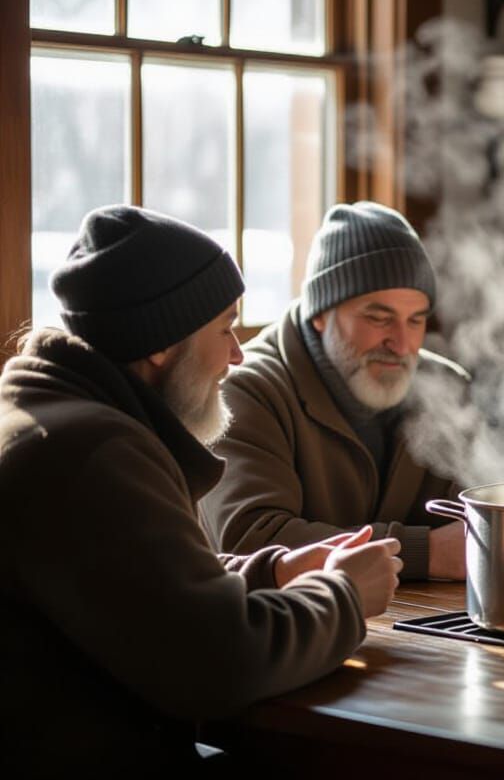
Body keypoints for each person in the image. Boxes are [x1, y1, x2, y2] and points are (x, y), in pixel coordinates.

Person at [0, 206, 402, 773]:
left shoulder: (53, 418)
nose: (237, 355)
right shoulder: (92, 454)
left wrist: (275, 571)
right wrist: (344, 598)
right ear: (161, 343)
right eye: (224, 329)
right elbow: (216, 666)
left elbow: (138, 588)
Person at [199, 202, 467, 580]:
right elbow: (250, 538)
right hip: (293, 631)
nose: (403, 343)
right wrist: (429, 553)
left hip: (427, 626)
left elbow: (491, 507)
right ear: (320, 313)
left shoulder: (448, 389)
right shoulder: (247, 391)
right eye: (378, 318)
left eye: (416, 320)